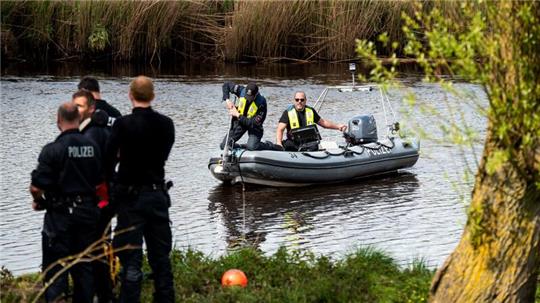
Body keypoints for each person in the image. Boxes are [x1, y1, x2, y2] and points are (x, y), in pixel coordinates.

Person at [106, 76, 175, 303]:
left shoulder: (122, 125)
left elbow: (108, 163)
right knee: (161, 258)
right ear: (153, 96)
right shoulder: (166, 124)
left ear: (130, 95)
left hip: (130, 199)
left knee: (131, 259)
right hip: (157, 195)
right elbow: (162, 156)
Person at [30, 102, 102, 303]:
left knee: (55, 270)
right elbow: (100, 181)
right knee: (84, 268)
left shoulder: (53, 149)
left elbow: (36, 187)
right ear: (79, 120)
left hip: (60, 217)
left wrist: (39, 202)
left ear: (58, 120)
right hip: (87, 214)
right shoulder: (94, 147)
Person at [72, 89, 115, 303]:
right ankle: (105, 292)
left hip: (97, 200)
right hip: (100, 199)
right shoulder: (97, 132)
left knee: (92, 250)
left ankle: (99, 294)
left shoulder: (89, 136)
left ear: (91, 108)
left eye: (79, 106)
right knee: (99, 248)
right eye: (74, 106)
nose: (75, 110)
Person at [276, 91, 347, 151]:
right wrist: (279, 143)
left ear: (305, 100)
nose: (299, 102)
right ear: (294, 101)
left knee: (314, 146)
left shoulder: (311, 111)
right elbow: (280, 129)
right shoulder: (288, 112)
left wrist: (338, 126)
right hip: (293, 143)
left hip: (309, 144)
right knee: (286, 144)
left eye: (302, 100)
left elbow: (323, 123)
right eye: (297, 100)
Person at [220, 81, 275, 151]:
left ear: (256, 94)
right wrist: (227, 100)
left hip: (254, 127)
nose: (248, 99)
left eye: (251, 97)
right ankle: (241, 146)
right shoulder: (241, 90)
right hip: (240, 123)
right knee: (223, 146)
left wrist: (237, 114)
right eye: (247, 96)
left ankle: (269, 145)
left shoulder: (262, 103)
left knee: (252, 147)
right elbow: (226, 84)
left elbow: (253, 123)